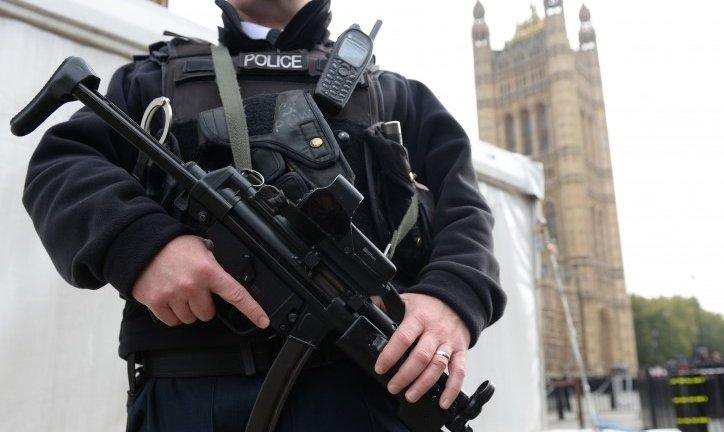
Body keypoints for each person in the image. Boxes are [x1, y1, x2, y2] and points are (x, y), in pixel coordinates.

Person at [21, 0, 505, 431]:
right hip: (189, 391)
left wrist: (450, 300)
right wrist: (145, 245)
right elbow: (61, 167)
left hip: (364, 389)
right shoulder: (152, 80)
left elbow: (464, 208)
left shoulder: (396, 95)